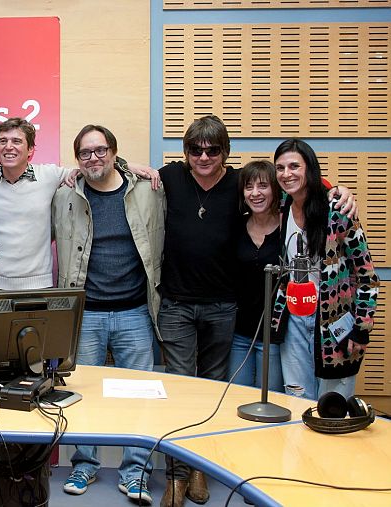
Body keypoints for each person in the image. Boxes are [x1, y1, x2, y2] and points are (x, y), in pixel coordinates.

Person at [156, 116, 358, 507]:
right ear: (185, 153)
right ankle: (177, 478)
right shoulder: (169, 178)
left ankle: (203, 468)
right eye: (195, 149)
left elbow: (300, 188)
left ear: (225, 153)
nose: (203, 156)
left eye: (212, 150)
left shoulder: (241, 185)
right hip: (177, 305)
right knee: (180, 393)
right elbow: (123, 173)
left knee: (218, 395)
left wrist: (338, 189)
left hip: (225, 310)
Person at [53, 125, 164, 506]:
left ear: (115, 152)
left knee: (140, 396)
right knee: (82, 395)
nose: (93, 158)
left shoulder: (146, 191)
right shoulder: (67, 194)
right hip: (88, 314)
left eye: (101, 151)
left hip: (135, 312)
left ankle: (137, 473)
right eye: (85, 153)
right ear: (77, 159)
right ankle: (85, 464)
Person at [272, 138, 379, 400]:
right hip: (294, 318)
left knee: (332, 406)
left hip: (334, 321)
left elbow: (367, 276)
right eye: (280, 168)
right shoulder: (282, 206)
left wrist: (362, 328)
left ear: (310, 168)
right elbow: (248, 185)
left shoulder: (338, 210)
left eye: (294, 166)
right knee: (297, 401)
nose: (287, 174)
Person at [0, 118, 70, 289]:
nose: (8, 146)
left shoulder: (49, 175)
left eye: (17, 141)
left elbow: (90, 170)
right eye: (3, 141)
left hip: (40, 286)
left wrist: (122, 165)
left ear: (30, 150)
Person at [228, 160, 283, 391]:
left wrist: (339, 190)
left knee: (272, 399)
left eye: (263, 186)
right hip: (239, 333)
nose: (255, 193)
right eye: (249, 187)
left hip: (276, 336)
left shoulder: (290, 225)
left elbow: (314, 187)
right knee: (235, 399)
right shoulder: (236, 225)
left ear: (275, 188)